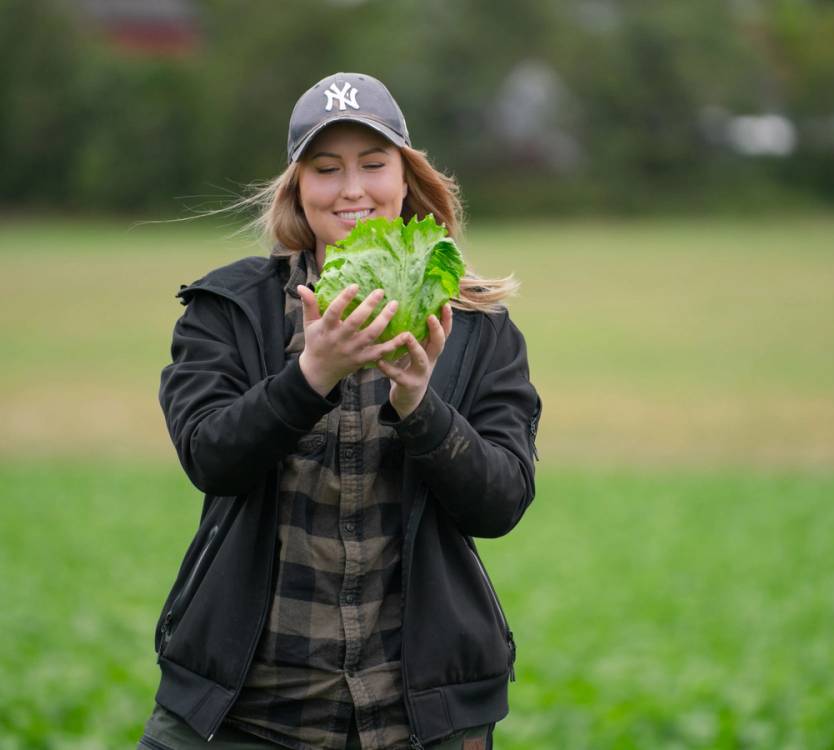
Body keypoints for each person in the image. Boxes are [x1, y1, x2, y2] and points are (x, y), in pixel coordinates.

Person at [137, 72, 541, 750]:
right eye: (326, 169)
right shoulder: (230, 311)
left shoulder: (477, 327)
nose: (352, 190)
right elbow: (210, 457)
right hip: (245, 712)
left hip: (417, 720)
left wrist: (418, 404)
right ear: (297, 187)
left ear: (407, 178)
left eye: (373, 165)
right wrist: (310, 374)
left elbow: (500, 503)